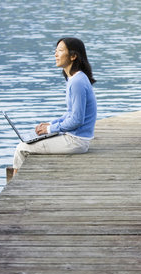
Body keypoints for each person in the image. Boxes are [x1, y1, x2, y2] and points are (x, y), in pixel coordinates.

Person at [12, 37, 97, 176]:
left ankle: (14, 188)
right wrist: (50, 125)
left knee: (22, 148)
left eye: (60, 51)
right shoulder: (75, 78)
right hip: (75, 138)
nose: (55, 55)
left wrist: (50, 129)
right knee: (31, 140)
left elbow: (77, 120)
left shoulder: (77, 82)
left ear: (73, 56)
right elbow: (71, 113)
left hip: (76, 141)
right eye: (55, 51)